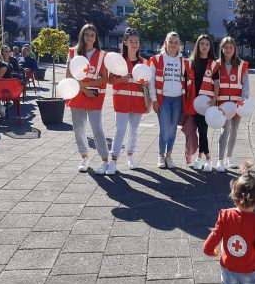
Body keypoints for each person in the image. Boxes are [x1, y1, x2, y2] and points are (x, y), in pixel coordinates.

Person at [66, 23, 110, 174]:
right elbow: (68, 76)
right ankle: (84, 157)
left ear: (96, 37)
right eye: (87, 35)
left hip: (95, 96)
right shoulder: (73, 52)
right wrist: (84, 89)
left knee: (97, 129)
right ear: (82, 36)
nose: (89, 38)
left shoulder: (103, 55)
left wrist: (86, 86)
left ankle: (105, 160)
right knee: (79, 129)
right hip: (77, 94)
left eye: (92, 35)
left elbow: (104, 78)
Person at [107, 29, 149, 174]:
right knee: (120, 130)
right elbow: (109, 80)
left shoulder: (144, 62)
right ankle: (113, 161)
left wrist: (145, 84)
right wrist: (121, 80)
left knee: (134, 130)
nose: (134, 44)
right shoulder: (118, 60)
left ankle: (130, 156)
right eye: (131, 41)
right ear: (125, 43)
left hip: (138, 101)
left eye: (136, 41)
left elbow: (148, 83)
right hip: (122, 101)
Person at [148, 31, 190, 169]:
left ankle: (169, 155)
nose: (173, 44)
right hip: (163, 99)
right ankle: (160, 155)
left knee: (173, 129)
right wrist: (154, 100)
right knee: (164, 129)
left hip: (178, 100)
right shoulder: (156, 59)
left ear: (179, 45)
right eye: (170, 42)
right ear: (165, 43)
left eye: (176, 42)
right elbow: (151, 82)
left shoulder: (183, 61)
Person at [209, 37, 250, 173]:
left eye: (231, 47)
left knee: (234, 130)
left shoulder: (241, 65)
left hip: (238, 104)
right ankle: (220, 160)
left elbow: (246, 84)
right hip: (223, 105)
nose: (228, 50)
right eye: (226, 47)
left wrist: (243, 100)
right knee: (225, 131)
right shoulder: (216, 65)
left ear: (234, 49)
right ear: (222, 49)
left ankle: (229, 157)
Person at [188, 34, 219, 172]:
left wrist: (214, 99)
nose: (204, 46)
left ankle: (207, 159)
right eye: (202, 44)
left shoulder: (213, 64)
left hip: (205, 104)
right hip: (192, 102)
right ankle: (199, 158)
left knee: (203, 130)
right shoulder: (191, 62)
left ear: (210, 47)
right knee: (194, 131)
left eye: (207, 44)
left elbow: (217, 84)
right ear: (197, 45)